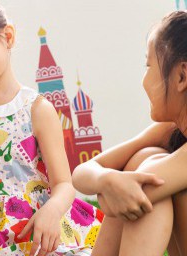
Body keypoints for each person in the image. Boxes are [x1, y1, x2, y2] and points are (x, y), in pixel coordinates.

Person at [0, 0, 102, 255]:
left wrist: (52, 211)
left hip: (35, 225)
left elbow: (64, 184)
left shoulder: (36, 109)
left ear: (7, 37)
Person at [72, 10, 187, 255]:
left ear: (181, 75)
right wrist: (105, 179)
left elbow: (117, 200)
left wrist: (112, 183)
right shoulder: (170, 131)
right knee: (144, 157)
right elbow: (82, 173)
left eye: (149, 65)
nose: (144, 79)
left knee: (145, 173)